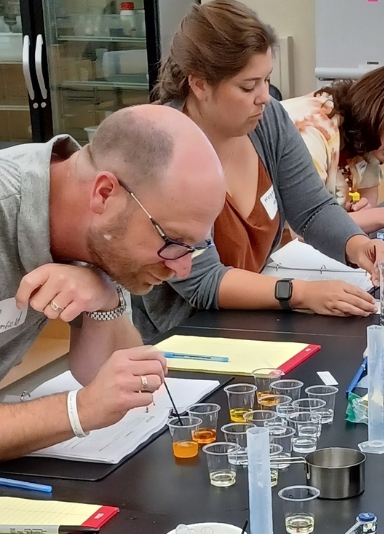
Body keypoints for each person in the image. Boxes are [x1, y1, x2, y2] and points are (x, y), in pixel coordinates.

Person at [136, 0, 384, 337]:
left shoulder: (267, 121)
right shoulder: (162, 150)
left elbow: (312, 209)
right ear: (199, 85)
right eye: (247, 86)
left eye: (266, 80)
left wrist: (357, 245)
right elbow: (203, 283)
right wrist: (302, 293)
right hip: (185, 334)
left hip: (254, 317)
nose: (264, 97)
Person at [0, 105, 226, 460]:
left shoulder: (99, 231)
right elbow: (95, 399)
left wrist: (104, 297)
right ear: (104, 193)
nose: (183, 269)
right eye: (173, 241)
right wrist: (78, 411)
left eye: (195, 247)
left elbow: (109, 373)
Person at [283, 63, 384, 234]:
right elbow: (306, 227)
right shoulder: (312, 130)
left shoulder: (364, 136)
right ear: (374, 115)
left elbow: (367, 194)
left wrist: (360, 216)